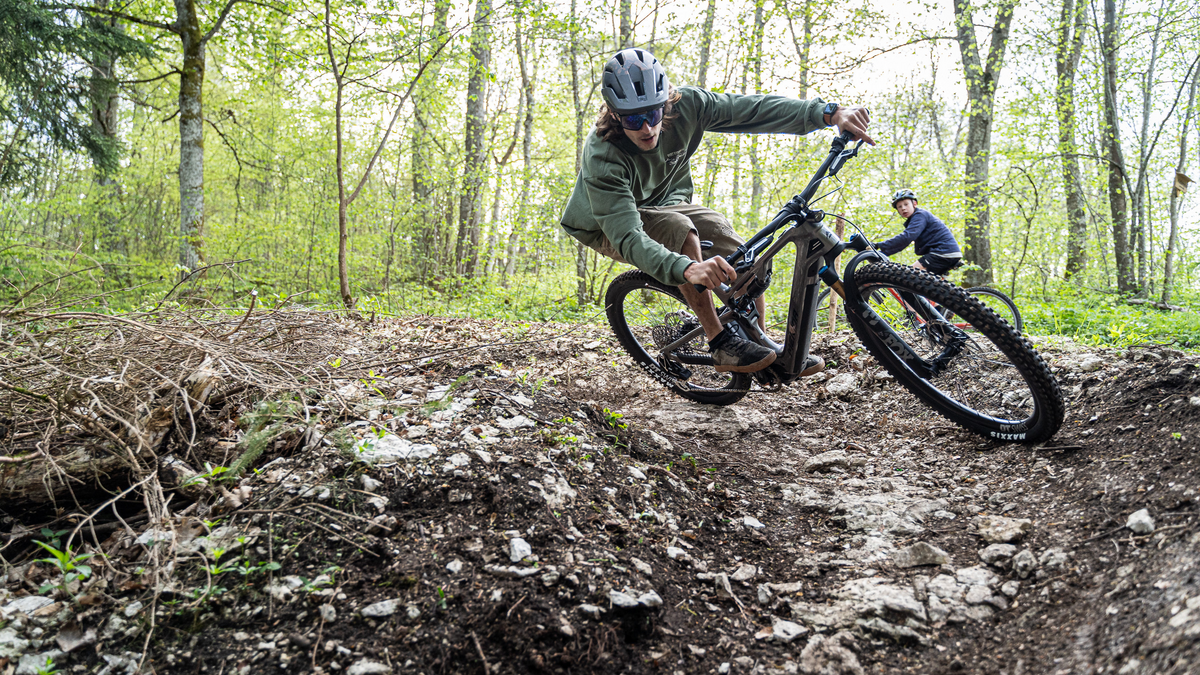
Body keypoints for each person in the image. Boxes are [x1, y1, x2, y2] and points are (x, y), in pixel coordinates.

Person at [560, 48, 872, 374]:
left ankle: (763, 345)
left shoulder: (689, 106)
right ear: (614, 115)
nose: (647, 129)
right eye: (633, 120)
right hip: (606, 224)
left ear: (665, 104)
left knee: (739, 252)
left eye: (653, 114)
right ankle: (719, 341)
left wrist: (828, 114)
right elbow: (628, 237)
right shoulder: (602, 155)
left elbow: (750, 110)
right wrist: (687, 269)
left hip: (664, 200)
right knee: (679, 231)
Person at [879, 189, 962, 276]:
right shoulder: (916, 219)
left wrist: (879, 245)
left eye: (906, 204)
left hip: (942, 252)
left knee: (906, 277)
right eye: (899, 207)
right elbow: (902, 244)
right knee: (924, 283)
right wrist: (882, 253)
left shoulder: (920, 215)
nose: (903, 208)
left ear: (914, 204)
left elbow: (907, 237)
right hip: (947, 253)